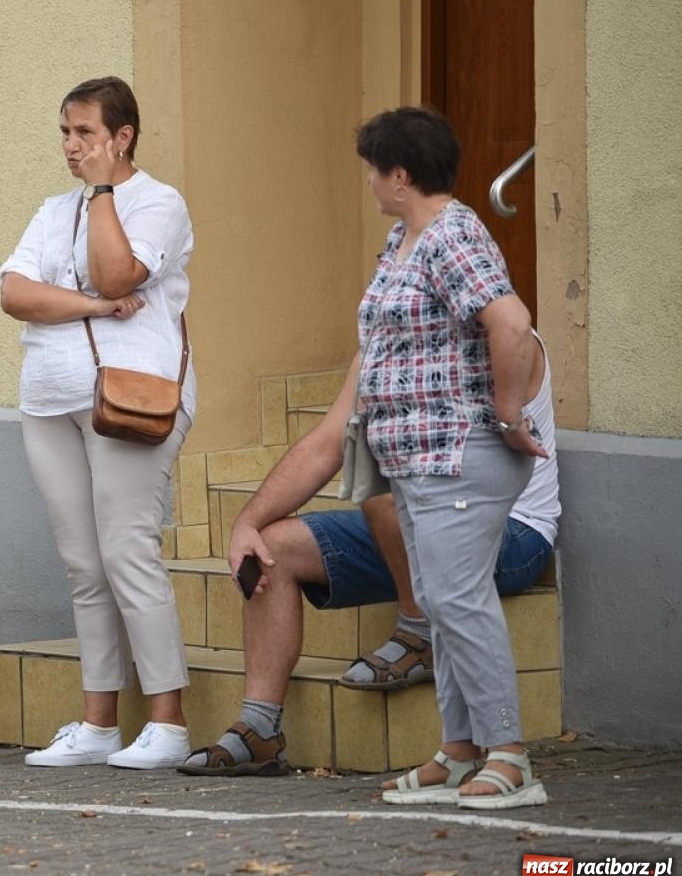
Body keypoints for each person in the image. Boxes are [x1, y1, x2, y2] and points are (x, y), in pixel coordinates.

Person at [200, 107, 549, 809]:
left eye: (371, 169)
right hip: (415, 464)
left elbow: (511, 325)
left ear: (400, 173)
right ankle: (458, 752)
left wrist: (509, 417)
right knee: (445, 606)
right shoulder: (403, 240)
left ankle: (509, 755)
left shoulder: (453, 233)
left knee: (458, 600)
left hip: (459, 455)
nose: (365, 182)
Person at [178, 333, 559, 780]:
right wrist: (246, 523)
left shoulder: (500, 337)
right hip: (423, 517)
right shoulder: (390, 335)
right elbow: (327, 444)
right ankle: (260, 729)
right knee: (274, 546)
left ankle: (419, 631)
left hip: (510, 532)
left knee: (382, 473)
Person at [0, 76, 198, 770]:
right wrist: (87, 308)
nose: (71, 145)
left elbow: (118, 275)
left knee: (126, 552)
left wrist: (106, 191)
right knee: (84, 564)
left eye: (85, 132)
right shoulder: (54, 210)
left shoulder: (159, 202)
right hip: (50, 399)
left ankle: (169, 723)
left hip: (130, 398)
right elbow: (14, 293)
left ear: (122, 136)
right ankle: (99, 724)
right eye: (64, 131)